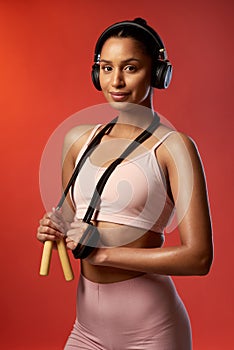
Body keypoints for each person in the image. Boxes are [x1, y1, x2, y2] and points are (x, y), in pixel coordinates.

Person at [37, 17, 213, 349]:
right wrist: (56, 229)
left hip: (153, 331)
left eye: (130, 68)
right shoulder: (78, 140)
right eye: (106, 68)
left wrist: (104, 254)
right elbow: (75, 225)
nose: (115, 80)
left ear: (158, 73)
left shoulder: (175, 148)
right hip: (87, 329)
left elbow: (199, 258)